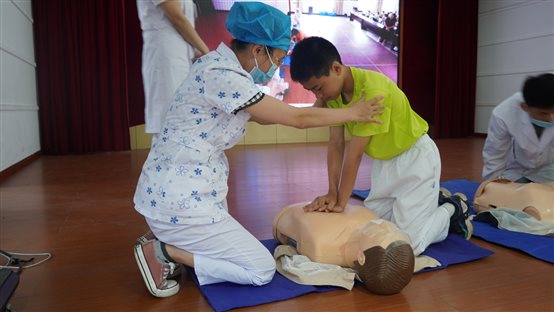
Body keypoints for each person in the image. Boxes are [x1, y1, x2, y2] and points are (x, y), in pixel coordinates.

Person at [132, 2, 385, 298]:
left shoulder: (217, 66)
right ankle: (166, 251)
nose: (275, 68)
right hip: (179, 199)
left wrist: (322, 109)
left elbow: (270, 116)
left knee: (228, 248)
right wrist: (353, 113)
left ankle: (163, 235)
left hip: (175, 190)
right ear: (257, 50)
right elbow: (297, 118)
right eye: (276, 59)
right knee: (261, 270)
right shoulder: (226, 77)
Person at [289, 36, 473, 257]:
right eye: (312, 91)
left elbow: (354, 155)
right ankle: (428, 206)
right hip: (385, 163)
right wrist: (331, 191)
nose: (318, 97)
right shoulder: (333, 95)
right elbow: (336, 144)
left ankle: (452, 208)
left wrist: (340, 203)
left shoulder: (373, 91)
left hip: (416, 160)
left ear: (336, 68)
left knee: (407, 245)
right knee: (373, 232)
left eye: (318, 88)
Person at [273, 202, 415, 295]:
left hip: (287, 212)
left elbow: (283, 230)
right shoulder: (371, 220)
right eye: (395, 229)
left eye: (381, 234)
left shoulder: (320, 246)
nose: (385, 225)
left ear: (361, 257)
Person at [136, 0, 210, 134]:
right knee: (170, 117)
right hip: (165, 55)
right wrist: (206, 52)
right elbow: (178, 19)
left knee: (180, 115)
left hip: (178, 54)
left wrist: (195, 50)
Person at [482, 73, 554, 183]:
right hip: (516, 169)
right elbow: (495, 154)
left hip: (549, 167)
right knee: (505, 195)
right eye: (543, 113)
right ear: (524, 107)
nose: (551, 118)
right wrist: (491, 184)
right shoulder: (503, 114)